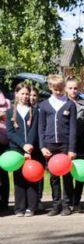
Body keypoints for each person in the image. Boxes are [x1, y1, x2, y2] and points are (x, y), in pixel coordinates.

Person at [38, 74, 77, 216]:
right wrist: (42, 146)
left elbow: (73, 128)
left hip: (65, 144)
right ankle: (56, 205)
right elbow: (41, 128)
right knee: (53, 176)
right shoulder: (44, 105)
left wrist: (72, 149)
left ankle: (67, 204)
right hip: (49, 144)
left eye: (61, 88)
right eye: (56, 89)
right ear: (50, 88)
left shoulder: (69, 104)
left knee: (66, 175)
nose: (59, 91)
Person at [6, 83, 39, 216]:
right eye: (22, 93)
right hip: (17, 150)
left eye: (27, 94)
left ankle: (31, 207)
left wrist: (29, 146)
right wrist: (22, 145)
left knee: (31, 177)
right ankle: (19, 208)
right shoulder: (10, 112)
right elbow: (10, 132)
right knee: (18, 178)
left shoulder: (35, 111)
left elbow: (34, 130)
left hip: (31, 149)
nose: (25, 96)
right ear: (17, 94)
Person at [65, 77, 84, 212]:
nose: (73, 91)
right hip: (66, 142)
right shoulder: (62, 103)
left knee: (80, 171)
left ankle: (77, 200)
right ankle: (68, 200)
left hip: (80, 141)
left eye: (75, 88)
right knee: (67, 172)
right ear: (65, 89)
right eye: (70, 88)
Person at [0, 89, 10, 216]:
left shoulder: (6, 103)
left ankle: (4, 202)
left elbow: (8, 118)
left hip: (3, 141)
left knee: (3, 173)